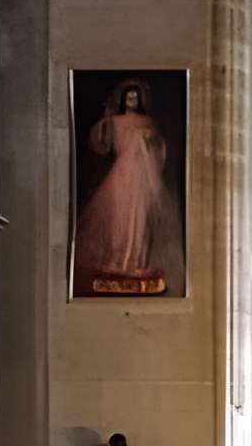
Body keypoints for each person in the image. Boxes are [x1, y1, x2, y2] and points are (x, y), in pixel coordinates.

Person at [74, 78, 182, 294]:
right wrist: (106, 120)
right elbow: (101, 143)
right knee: (119, 221)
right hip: (123, 175)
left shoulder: (148, 122)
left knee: (140, 221)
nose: (132, 100)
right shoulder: (115, 121)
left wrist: (149, 145)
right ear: (124, 99)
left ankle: (137, 262)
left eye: (135, 96)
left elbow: (160, 150)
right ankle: (118, 261)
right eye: (129, 96)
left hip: (143, 176)